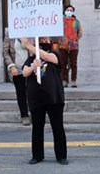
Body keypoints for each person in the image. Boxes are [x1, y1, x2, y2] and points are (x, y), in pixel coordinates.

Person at [22, 37, 68, 165]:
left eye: (45, 39)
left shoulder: (54, 55)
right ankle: (37, 155)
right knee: (37, 127)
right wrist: (33, 67)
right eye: (41, 39)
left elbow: (48, 57)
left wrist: (28, 45)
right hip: (37, 98)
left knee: (57, 127)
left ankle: (61, 155)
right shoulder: (32, 59)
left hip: (54, 97)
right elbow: (25, 72)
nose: (43, 41)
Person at [2, 30, 31, 126]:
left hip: (30, 68)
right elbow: (5, 52)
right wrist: (11, 65)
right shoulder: (9, 33)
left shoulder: (31, 31)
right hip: (17, 70)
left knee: (32, 92)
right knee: (21, 92)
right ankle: (24, 115)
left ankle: (36, 112)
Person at [58, 4, 83, 88]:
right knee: (63, 64)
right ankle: (64, 80)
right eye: (68, 10)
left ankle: (73, 80)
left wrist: (74, 39)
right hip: (62, 45)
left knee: (73, 64)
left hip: (74, 46)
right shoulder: (60, 20)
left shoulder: (76, 21)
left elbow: (80, 33)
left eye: (71, 10)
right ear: (64, 11)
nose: (69, 12)